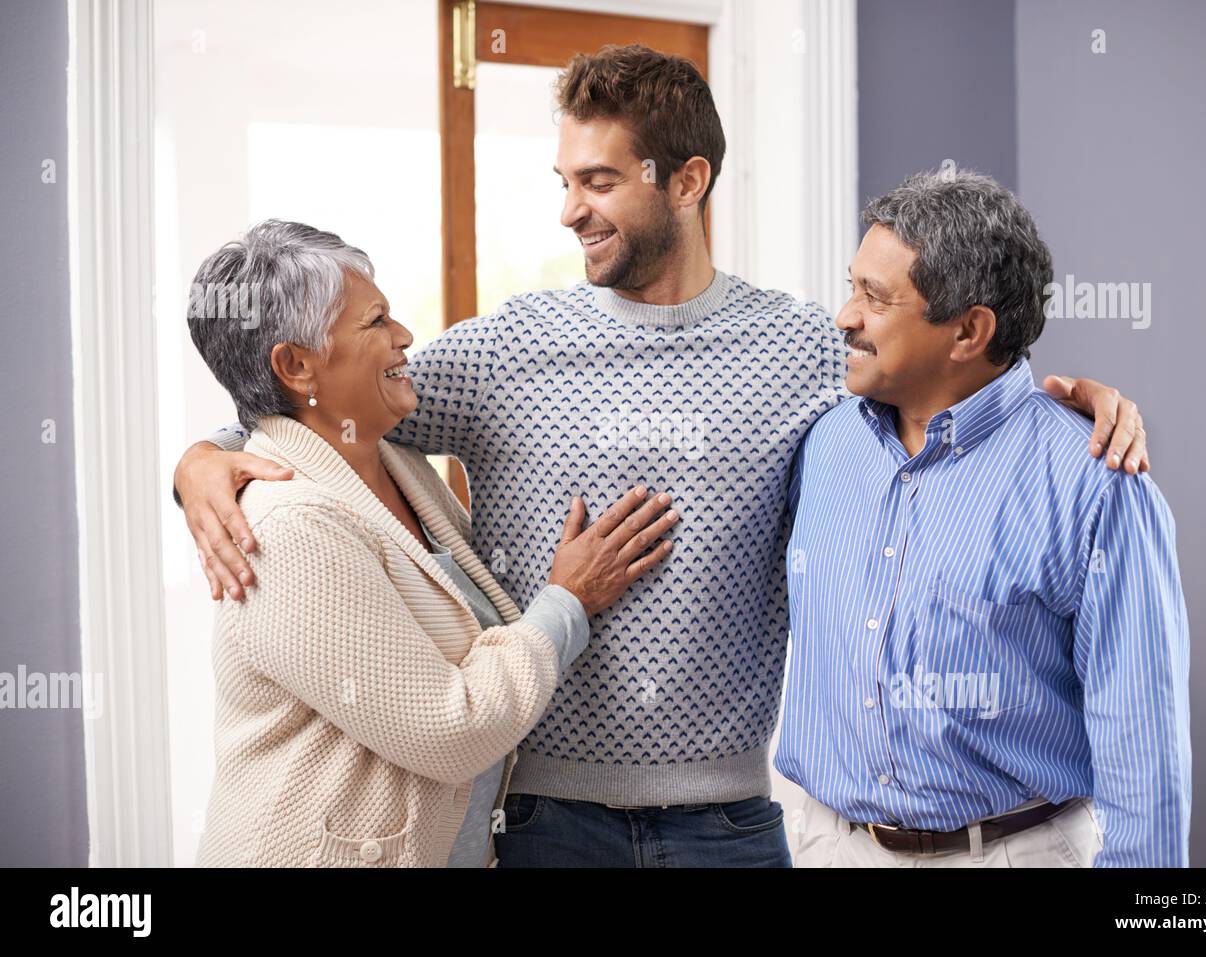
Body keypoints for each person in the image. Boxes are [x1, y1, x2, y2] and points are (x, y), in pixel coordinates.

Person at [175, 46, 1149, 868]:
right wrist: (205, 457)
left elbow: (947, 374)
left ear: (685, 181)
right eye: (564, 182)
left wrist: (1069, 400)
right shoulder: (500, 352)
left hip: (731, 824)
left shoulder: (803, 349)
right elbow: (326, 406)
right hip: (542, 820)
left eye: (599, 182)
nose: (569, 211)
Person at [187, 220, 677, 867]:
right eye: (375, 321)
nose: (404, 337)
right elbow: (454, 728)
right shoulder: (286, 532)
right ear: (297, 364)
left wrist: (198, 455)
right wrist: (570, 598)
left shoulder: (393, 461)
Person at [778, 171, 1191, 868]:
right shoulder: (824, 442)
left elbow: (1142, 741)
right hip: (824, 844)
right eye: (852, 286)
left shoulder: (1094, 482)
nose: (844, 316)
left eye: (874, 298)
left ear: (969, 330)